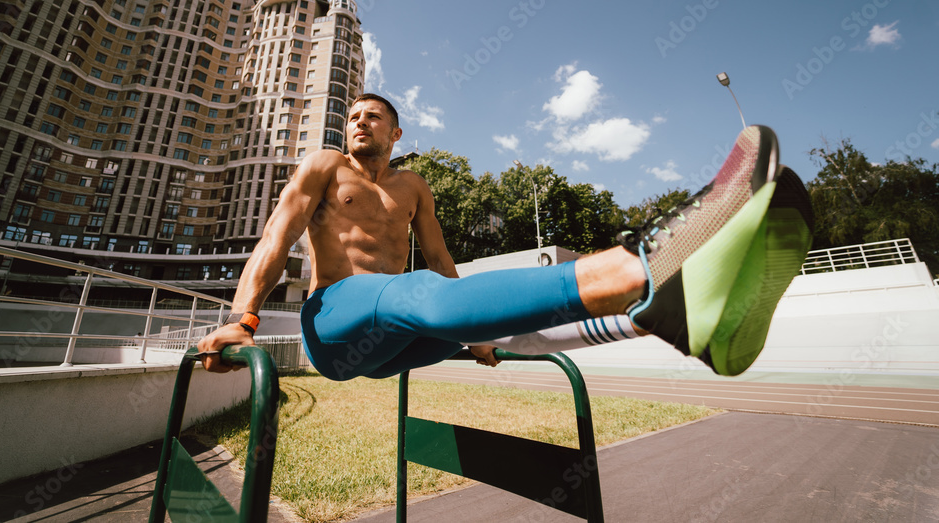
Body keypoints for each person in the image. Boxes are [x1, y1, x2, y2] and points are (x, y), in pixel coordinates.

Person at [197, 93, 811, 380]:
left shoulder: (414, 186)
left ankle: (668, 322)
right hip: (334, 322)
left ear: (397, 131)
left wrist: (474, 329)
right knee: (406, 291)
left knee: (498, 330)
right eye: (352, 115)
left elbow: (440, 261)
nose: (358, 122)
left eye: (371, 116)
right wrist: (242, 319)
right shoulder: (324, 166)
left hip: (390, 345)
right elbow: (275, 240)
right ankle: (641, 264)